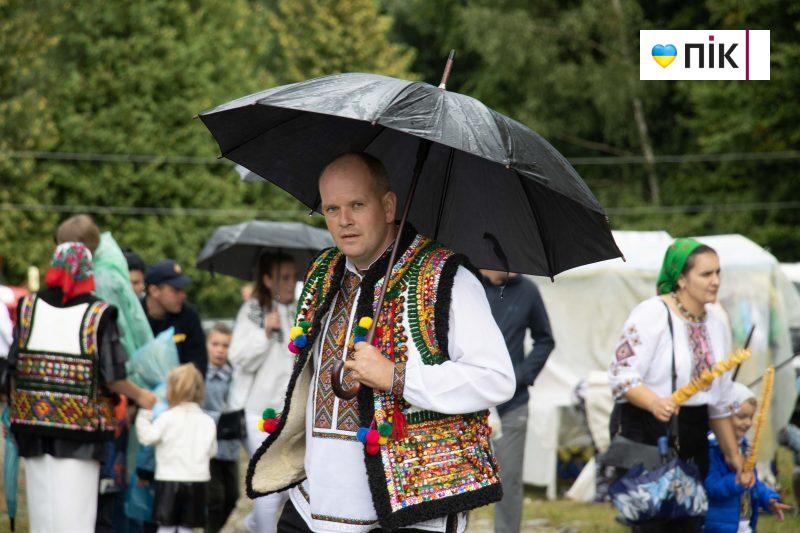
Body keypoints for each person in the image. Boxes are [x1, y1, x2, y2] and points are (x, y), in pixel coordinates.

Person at [247, 152, 515, 532]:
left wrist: (398, 376)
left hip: (412, 505)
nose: (344, 221)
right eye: (332, 208)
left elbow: (495, 377)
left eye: (357, 204)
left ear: (389, 206)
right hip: (315, 501)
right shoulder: (323, 273)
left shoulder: (444, 278)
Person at [7, 242, 156, 533]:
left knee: (43, 517)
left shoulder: (28, 308)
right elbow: (113, 375)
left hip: (32, 429)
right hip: (82, 434)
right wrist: (141, 395)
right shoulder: (98, 314)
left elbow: (13, 365)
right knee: (76, 518)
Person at [608, 238, 750, 532]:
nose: (715, 281)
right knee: (653, 522)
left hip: (693, 430)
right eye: (706, 274)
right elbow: (622, 375)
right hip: (650, 428)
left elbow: (720, 400)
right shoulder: (651, 314)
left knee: (689, 519)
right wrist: (654, 402)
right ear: (682, 279)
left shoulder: (717, 320)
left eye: (718, 273)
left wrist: (734, 455)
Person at [480, 270, 555, 533]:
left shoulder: (528, 290)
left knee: (508, 480)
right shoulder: (467, 286)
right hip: (468, 402)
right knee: (457, 479)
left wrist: (521, 375)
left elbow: (545, 339)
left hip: (513, 404)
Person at [228, 252, 297, 532]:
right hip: (259, 411)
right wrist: (265, 334)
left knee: (290, 481)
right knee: (268, 483)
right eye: (284, 277)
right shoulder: (253, 310)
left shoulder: (301, 309)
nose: (292, 283)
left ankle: (252, 523)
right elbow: (238, 356)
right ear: (268, 279)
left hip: (291, 410)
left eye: (294, 276)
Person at [136, 363, 217, 533]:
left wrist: (144, 414)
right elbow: (212, 451)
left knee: (166, 526)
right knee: (187, 528)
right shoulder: (208, 421)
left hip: (168, 480)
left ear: (171, 390)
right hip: (198, 480)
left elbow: (147, 437)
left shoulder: (167, 418)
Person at [704, 383, 790, 532]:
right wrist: (736, 481)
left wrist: (768, 499)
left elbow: (752, 483)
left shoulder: (744, 447)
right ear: (723, 417)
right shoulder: (712, 448)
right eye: (742, 417)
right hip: (719, 526)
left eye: (751, 417)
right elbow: (711, 488)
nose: (748, 423)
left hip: (744, 524)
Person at [202, 323, 240, 533]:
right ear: (207, 345)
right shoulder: (201, 375)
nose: (220, 350)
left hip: (230, 446)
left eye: (225, 345)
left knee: (233, 497)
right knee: (215, 498)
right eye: (215, 344)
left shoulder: (235, 375)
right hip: (209, 447)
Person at [142, 259, 207, 376]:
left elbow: (199, 365)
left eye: (183, 289)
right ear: (154, 290)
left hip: (178, 391)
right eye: (176, 290)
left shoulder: (189, 316)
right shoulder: (135, 315)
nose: (183, 295)